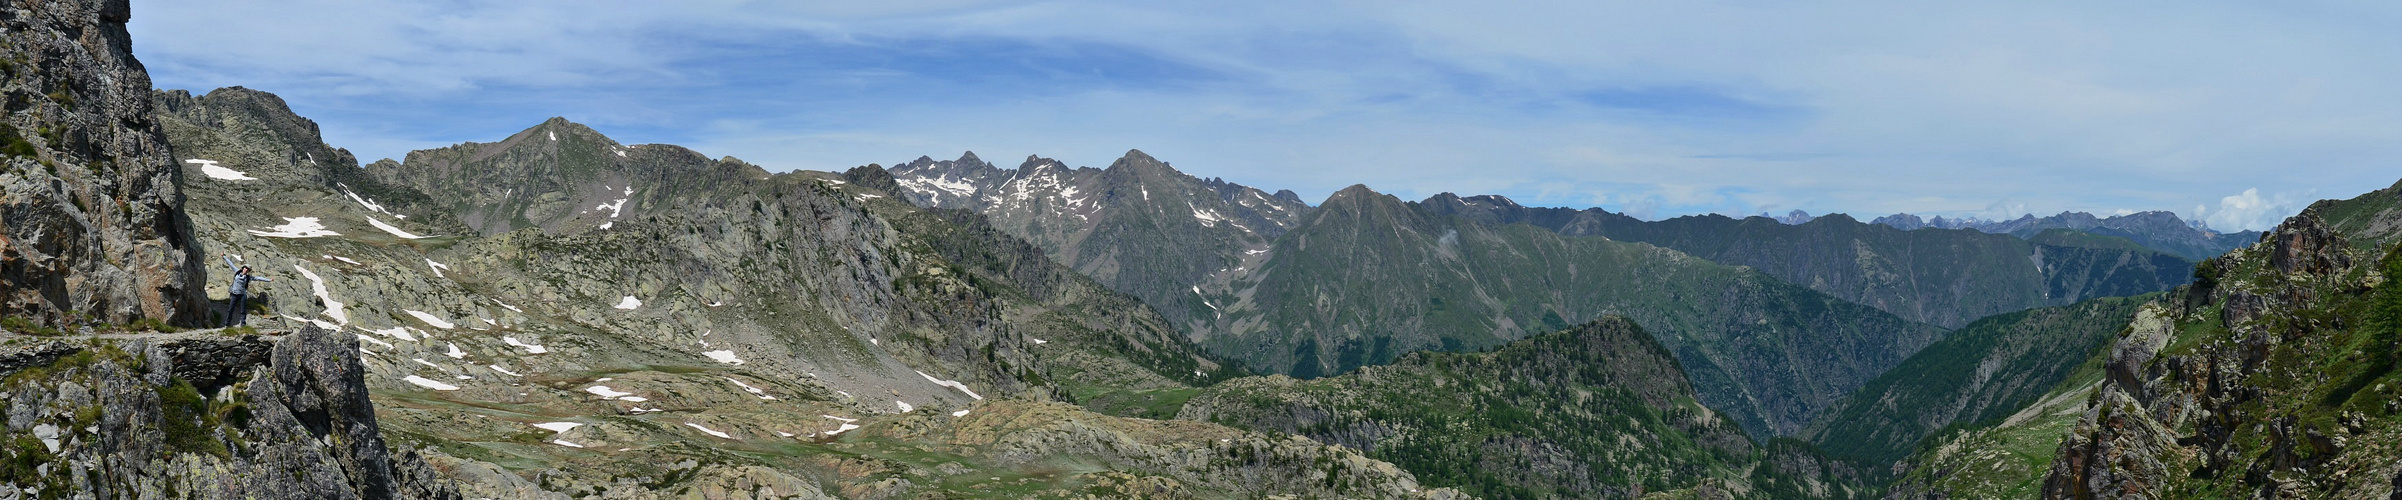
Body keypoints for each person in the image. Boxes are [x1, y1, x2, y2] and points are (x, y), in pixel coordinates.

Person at [224, 255, 271, 327]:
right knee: (230, 309)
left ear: (248, 271)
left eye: (248, 269)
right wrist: (224, 256)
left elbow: (258, 278)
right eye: (245, 268)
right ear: (243, 268)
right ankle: (227, 323)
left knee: (243, 310)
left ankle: (243, 324)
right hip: (234, 294)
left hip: (242, 294)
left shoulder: (248, 277)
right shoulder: (237, 271)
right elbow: (230, 264)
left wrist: (269, 280)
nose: (246, 269)